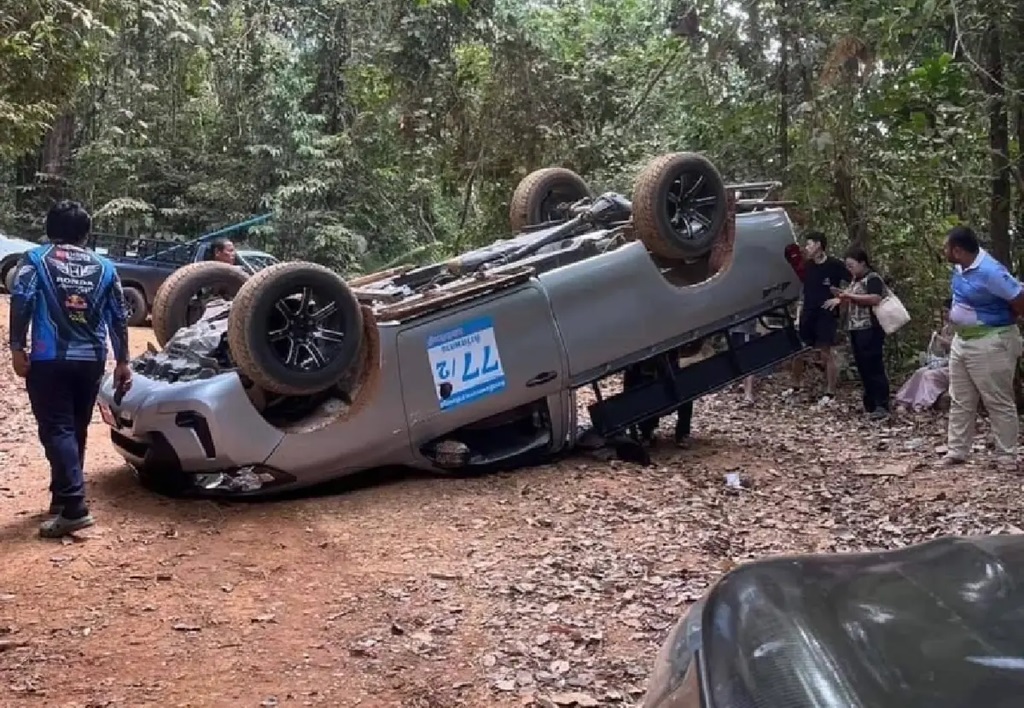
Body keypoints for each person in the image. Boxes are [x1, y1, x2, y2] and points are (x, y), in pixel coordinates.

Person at [8, 200, 132, 538]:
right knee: (74, 428)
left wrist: (16, 348)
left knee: (56, 429)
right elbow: (118, 315)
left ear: (50, 229)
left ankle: (75, 507)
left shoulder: (36, 260)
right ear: (86, 233)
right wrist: (123, 361)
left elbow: (22, 300)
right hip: (91, 359)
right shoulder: (105, 267)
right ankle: (64, 497)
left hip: (51, 358)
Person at [940, 225, 1024, 468]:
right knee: (960, 398)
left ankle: (1007, 454)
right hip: (963, 340)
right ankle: (957, 449)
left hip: (991, 340)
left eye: (946, 247)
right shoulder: (960, 267)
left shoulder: (991, 272)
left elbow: (1018, 297)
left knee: (997, 398)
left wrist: (1007, 321)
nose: (944, 251)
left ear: (957, 250)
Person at [825, 245, 891, 420]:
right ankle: (870, 403)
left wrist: (850, 297)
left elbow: (875, 298)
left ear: (863, 263)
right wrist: (840, 298)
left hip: (871, 327)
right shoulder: (855, 281)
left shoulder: (873, 278)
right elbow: (851, 300)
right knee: (863, 366)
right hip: (855, 327)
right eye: (847, 266)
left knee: (873, 365)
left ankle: (881, 404)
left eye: (852, 265)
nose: (850, 269)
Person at [792, 231, 850, 406]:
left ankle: (829, 392)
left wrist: (840, 299)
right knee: (798, 351)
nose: (807, 248)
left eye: (809, 244)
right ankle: (796, 386)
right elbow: (802, 292)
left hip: (826, 314)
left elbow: (855, 282)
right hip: (808, 313)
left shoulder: (835, 265)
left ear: (818, 245)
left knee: (826, 352)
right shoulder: (807, 266)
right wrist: (798, 314)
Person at [895, 299, 954, 411]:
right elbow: (939, 352)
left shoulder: (962, 328)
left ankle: (920, 405)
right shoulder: (946, 329)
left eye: (947, 312)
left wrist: (943, 342)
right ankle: (904, 401)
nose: (945, 315)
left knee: (929, 376)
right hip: (942, 363)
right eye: (944, 312)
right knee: (920, 372)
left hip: (955, 366)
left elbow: (958, 347)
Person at [727, 319, 759, 405]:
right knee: (739, 359)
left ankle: (748, 394)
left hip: (745, 329)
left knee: (747, 360)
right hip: (734, 328)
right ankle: (744, 388)